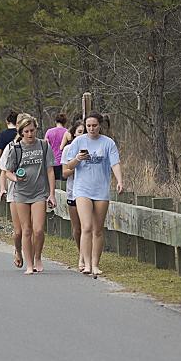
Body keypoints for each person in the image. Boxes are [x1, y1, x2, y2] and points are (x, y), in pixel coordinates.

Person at [62, 112, 124, 276]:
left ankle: (95, 264)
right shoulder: (78, 141)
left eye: (94, 125)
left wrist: (119, 181)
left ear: (100, 126)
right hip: (82, 189)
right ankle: (86, 264)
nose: (91, 129)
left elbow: (115, 163)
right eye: (88, 126)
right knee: (86, 227)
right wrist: (78, 159)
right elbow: (68, 166)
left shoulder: (108, 143)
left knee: (98, 229)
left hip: (101, 189)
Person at [2, 115, 56, 275]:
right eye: (26, 131)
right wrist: (15, 178)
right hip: (21, 194)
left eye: (32, 130)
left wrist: (52, 194)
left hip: (39, 192)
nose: (30, 134)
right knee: (26, 230)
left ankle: (38, 256)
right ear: (21, 132)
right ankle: (29, 264)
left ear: (36, 129)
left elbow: (50, 170)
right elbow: (7, 172)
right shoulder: (16, 149)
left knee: (38, 230)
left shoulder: (44, 146)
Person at [0, 110, 21, 267]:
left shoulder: (4, 134)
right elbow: (5, 169)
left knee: (31, 228)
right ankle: (19, 251)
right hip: (14, 183)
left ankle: (33, 259)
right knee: (19, 229)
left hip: (32, 189)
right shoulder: (11, 144)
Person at [60, 120, 85, 271]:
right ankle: (80, 251)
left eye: (85, 132)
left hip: (89, 192)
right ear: (73, 134)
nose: (82, 135)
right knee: (77, 228)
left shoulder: (93, 148)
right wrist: (77, 166)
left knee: (89, 227)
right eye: (80, 132)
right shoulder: (68, 149)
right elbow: (64, 173)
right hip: (73, 192)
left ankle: (84, 257)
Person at [44, 113, 67, 181]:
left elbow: (45, 145)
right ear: (65, 122)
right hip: (64, 161)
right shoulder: (67, 132)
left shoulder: (49, 132)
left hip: (52, 161)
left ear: (55, 121)